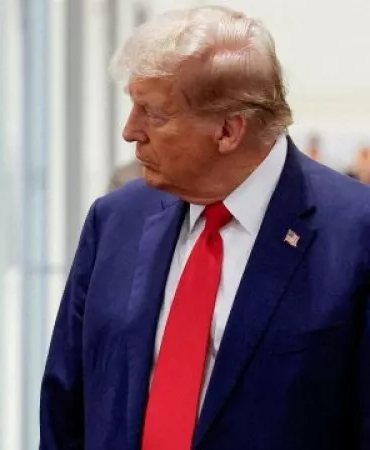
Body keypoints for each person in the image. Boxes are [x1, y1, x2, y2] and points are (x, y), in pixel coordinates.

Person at [40, 6, 370, 450]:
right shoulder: (115, 221)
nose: (130, 131)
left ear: (228, 131)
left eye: (153, 114)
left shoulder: (356, 235)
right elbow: (65, 410)